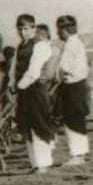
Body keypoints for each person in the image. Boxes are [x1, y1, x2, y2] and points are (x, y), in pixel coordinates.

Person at [8, 14, 57, 174]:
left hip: (35, 90)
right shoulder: (20, 47)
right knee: (26, 126)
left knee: (38, 126)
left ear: (34, 28)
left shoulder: (40, 46)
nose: (22, 32)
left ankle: (43, 163)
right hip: (23, 91)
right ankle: (35, 163)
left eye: (26, 29)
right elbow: (13, 68)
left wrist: (19, 85)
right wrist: (11, 84)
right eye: (20, 29)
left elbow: (33, 71)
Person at [55, 15, 90, 165]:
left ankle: (77, 155)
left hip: (72, 86)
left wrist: (55, 80)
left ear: (64, 29)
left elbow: (64, 68)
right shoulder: (77, 43)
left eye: (59, 29)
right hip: (79, 85)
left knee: (72, 120)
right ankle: (80, 155)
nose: (57, 33)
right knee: (78, 119)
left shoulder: (70, 44)